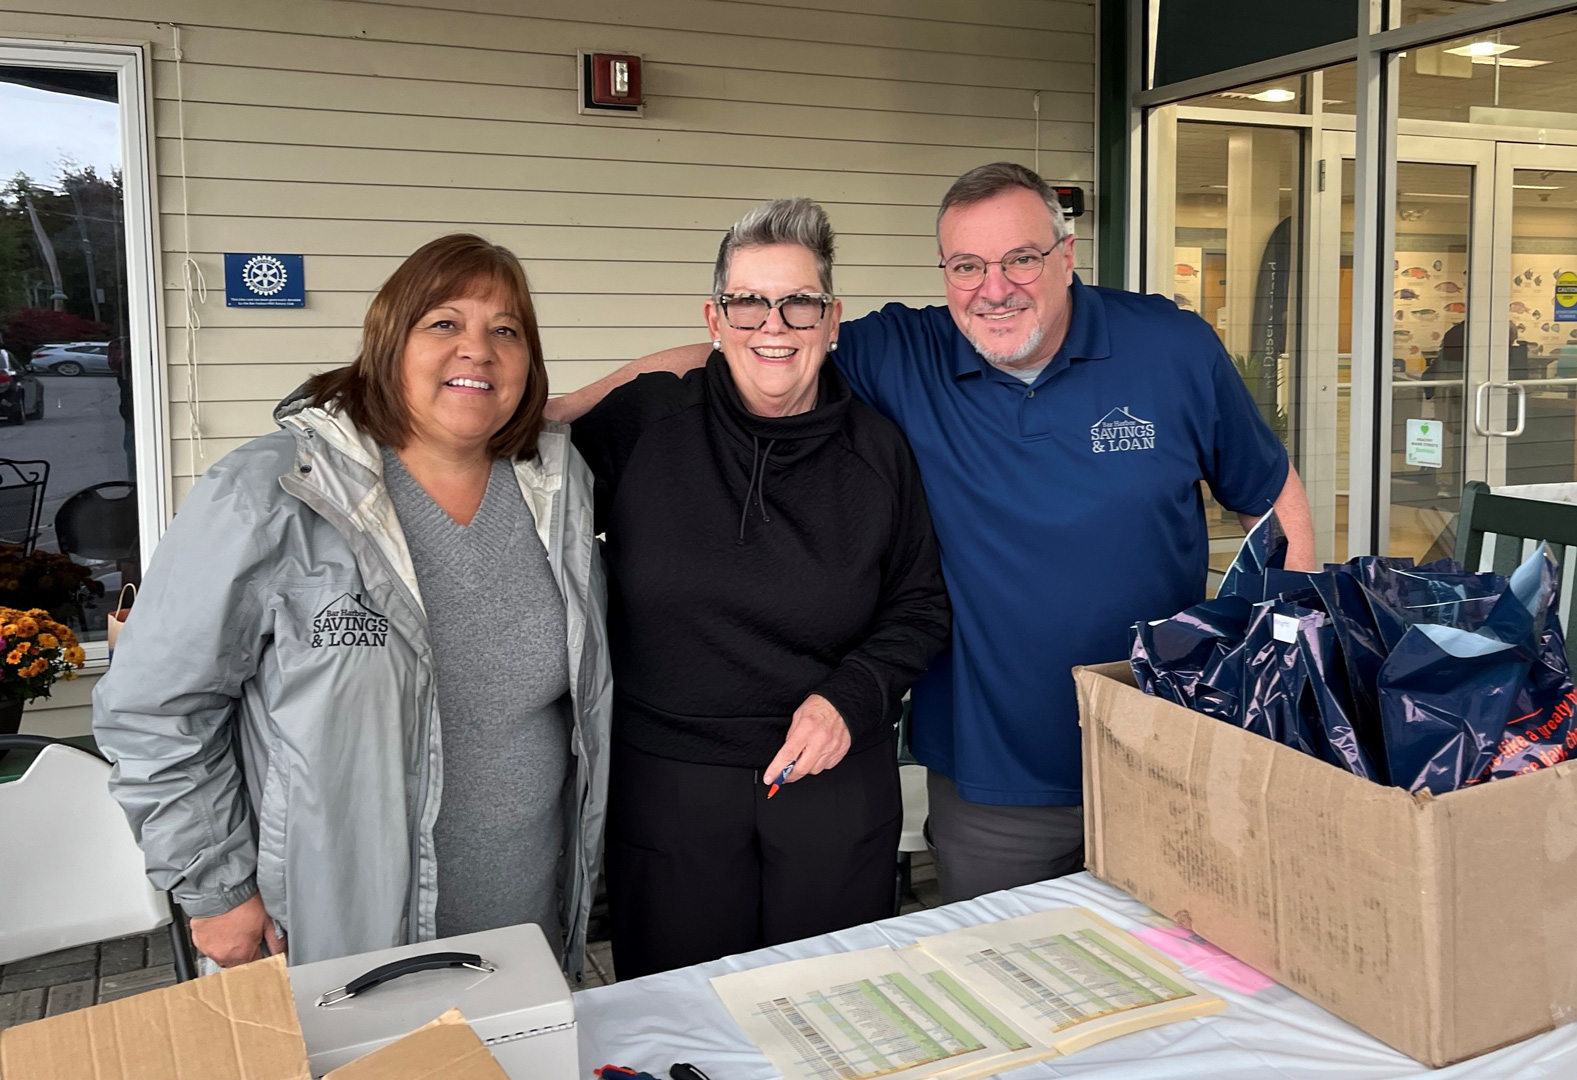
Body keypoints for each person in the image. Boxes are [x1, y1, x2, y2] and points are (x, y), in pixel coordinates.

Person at [549, 163, 1314, 906]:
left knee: (1177, 989)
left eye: (1020, 259)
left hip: (1167, 756)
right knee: (1015, 1004)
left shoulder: (1172, 348)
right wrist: (565, 408)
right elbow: (752, 350)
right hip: (993, 778)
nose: (994, 288)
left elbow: (1270, 494)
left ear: (1066, 255)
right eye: (967, 265)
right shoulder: (905, 353)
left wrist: (1284, 667)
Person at [93, 234, 611, 978]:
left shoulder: (556, 491)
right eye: (444, 324)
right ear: (388, 341)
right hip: (331, 937)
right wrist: (214, 888)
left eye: (506, 330)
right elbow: (152, 707)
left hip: (521, 931)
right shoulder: (274, 491)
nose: (479, 349)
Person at [568, 198, 949, 980]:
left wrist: (854, 694)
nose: (772, 326)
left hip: (830, 778)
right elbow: (524, 501)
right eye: (748, 302)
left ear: (832, 319)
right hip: (669, 785)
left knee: (835, 1009)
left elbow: (920, 603)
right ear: (715, 317)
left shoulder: (878, 450)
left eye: (799, 302)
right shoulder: (646, 424)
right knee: (678, 1020)